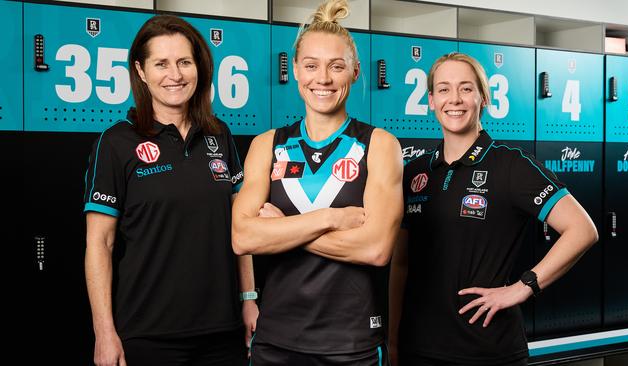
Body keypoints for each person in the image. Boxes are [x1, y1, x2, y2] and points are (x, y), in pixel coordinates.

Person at [389, 52, 598, 366]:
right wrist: (392, 338)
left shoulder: (511, 165)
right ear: (431, 100)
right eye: (444, 89)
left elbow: (583, 230)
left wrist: (524, 286)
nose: (454, 99)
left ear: (483, 98)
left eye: (466, 88)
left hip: (487, 351)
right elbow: (400, 264)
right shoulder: (416, 172)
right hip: (418, 348)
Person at [231, 0, 403, 364]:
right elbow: (243, 237)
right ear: (294, 69)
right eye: (311, 66)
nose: (322, 79)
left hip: (351, 343)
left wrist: (281, 231)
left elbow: (376, 249)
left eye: (336, 66)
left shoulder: (379, 145)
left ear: (355, 72)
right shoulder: (267, 145)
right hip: (275, 340)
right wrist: (329, 218)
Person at [84, 15, 258, 366]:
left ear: (200, 68)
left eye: (184, 62)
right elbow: (99, 245)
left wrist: (249, 298)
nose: (175, 75)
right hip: (149, 335)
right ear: (141, 71)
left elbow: (242, 227)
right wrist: (104, 332)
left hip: (222, 333)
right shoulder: (116, 143)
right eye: (160, 64)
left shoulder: (219, 135)